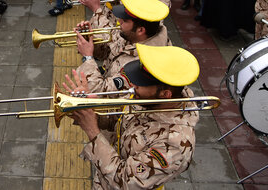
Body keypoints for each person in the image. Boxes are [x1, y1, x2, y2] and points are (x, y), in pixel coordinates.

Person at [65, 45, 200, 190]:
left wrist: (92, 130)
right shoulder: (149, 99)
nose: (134, 85)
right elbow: (117, 118)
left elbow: (124, 181)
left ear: (165, 94)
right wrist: (87, 109)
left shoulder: (175, 145)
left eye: (141, 83)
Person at [76, 0, 171, 93]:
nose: (119, 21)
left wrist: (88, 57)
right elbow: (108, 52)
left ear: (140, 30)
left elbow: (99, 92)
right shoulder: (132, 35)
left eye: (125, 20)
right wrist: (89, 40)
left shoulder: (144, 65)